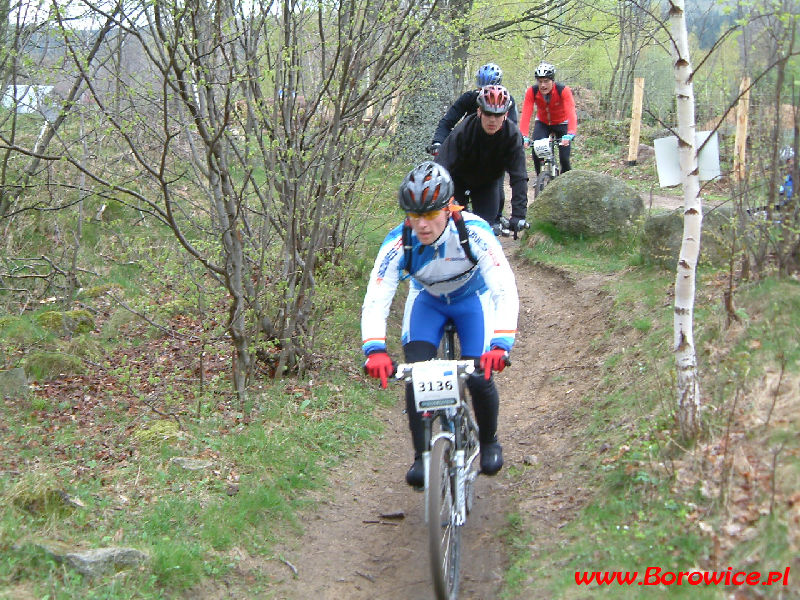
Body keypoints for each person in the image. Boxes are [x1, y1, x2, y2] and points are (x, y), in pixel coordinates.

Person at [361, 161, 519, 487]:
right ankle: (422, 456)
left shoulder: (473, 232)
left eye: (431, 214)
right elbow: (377, 296)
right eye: (414, 215)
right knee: (415, 373)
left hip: (472, 300)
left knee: (479, 373)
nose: (422, 225)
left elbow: (503, 287)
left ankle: (489, 440)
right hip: (428, 301)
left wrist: (501, 344)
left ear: (449, 208)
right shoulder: (397, 243)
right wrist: (374, 348)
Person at [427, 63, 519, 230]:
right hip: (464, 155)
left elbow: (512, 130)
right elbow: (447, 122)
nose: (483, 93)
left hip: (492, 157)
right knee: (451, 219)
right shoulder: (468, 101)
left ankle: (496, 219)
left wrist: (519, 214)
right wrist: (438, 142)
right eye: (480, 88)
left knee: (494, 193)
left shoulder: (507, 102)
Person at [518, 62, 578, 176]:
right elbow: (526, 114)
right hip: (543, 122)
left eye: (546, 81)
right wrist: (524, 136)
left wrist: (570, 134)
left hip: (562, 123)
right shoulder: (532, 91)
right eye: (540, 82)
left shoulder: (563, 90)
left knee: (564, 159)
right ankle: (539, 179)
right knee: (536, 151)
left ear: (552, 81)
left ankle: (565, 184)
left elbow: (571, 112)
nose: (542, 85)